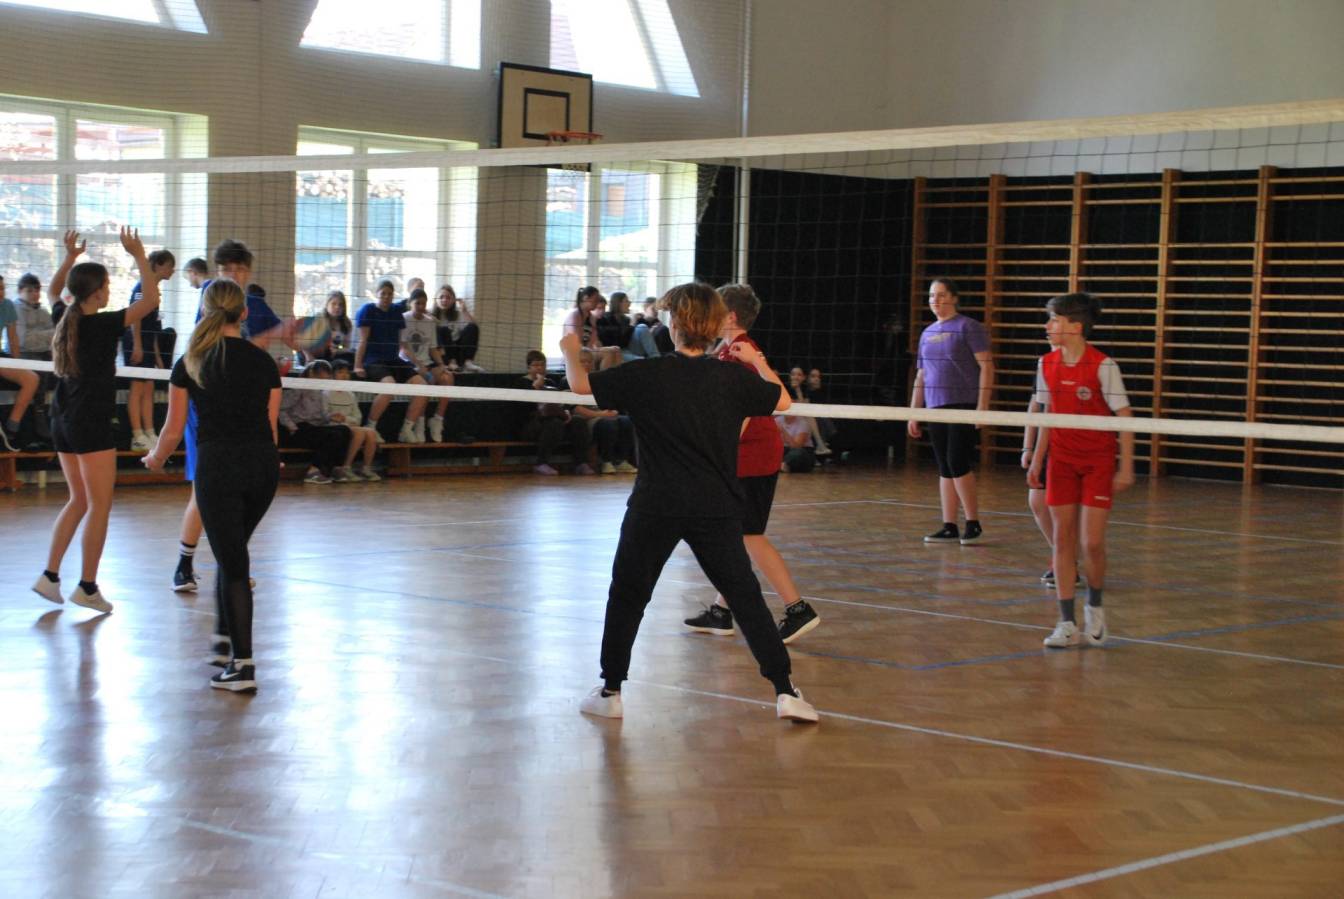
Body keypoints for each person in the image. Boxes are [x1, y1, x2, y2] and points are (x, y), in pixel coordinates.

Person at [563, 282, 817, 723]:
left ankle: (610, 691)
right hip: (715, 507)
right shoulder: (732, 376)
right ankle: (785, 691)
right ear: (713, 325)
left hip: (655, 505)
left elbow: (580, 385)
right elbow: (783, 399)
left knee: (628, 595)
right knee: (746, 598)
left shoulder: (647, 373)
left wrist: (570, 349)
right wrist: (756, 361)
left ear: (674, 325)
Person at [145, 277, 281, 691]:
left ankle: (242, 666)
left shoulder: (191, 361)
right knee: (231, 554)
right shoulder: (264, 362)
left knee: (234, 563)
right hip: (263, 468)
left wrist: (155, 458)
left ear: (205, 311)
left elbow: (172, 431)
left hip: (219, 468)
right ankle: (225, 639)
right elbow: (271, 428)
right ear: (244, 313)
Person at [682, 284, 821, 646]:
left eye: (714, 310)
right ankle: (721, 611)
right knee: (736, 534)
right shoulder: (728, 350)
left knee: (749, 535)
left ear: (729, 316)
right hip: (747, 454)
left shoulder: (742, 352)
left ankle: (797, 608)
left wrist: (718, 448)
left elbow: (745, 410)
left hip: (753, 456)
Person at [31, 228, 160, 613]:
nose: (109, 291)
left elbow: (54, 291)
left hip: (63, 419)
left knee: (79, 500)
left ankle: (50, 576)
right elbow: (150, 300)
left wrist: (70, 258)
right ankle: (87, 586)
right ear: (98, 293)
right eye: (106, 286)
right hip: (90, 423)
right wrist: (139, 255)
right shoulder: (103, 324)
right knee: (99, 505)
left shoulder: (66, 316)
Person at [172, 240, 288, 593]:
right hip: (208, 411)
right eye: (226, 269)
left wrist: (294, 336)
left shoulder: (254, 304)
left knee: (239, 498)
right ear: (217, 272)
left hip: (247, 418)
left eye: (239, 269)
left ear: (248, 272)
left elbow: (287, 341)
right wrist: (268, 339)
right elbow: (225, 352)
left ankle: (232, 568)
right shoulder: (213, 298)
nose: (233, 275)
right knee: (205, 491)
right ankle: (184, 565)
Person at [1027, 292, 1135, 649]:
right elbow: (1047, 415)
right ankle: (1066, 622)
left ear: (1075, 326)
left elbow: (1125, 417)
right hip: (1061, 461)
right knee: (1063, 539)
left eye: (1054, 320)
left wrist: (1126, 467)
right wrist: (1038, 459)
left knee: (1092, 542)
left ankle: (1095, 607)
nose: (1048, 326)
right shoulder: (1046, 363)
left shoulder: (1103, 365)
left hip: (1097, 462)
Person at [907, 278, 993, 545]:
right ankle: (949, 526)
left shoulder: (968, 326)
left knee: (958, 461)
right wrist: (914, 412)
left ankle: (973, 523)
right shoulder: (927, 333)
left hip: (962, 404)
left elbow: (987, 366)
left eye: (942, 295)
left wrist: (982, 406)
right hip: (935, 406)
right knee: (944, 465)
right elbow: (921, 376)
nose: (936, 300)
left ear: (954, 298)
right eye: (932, 295)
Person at [354, 278, 429, 444]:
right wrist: (357, 365)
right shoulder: (368, 310)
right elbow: (363, 340)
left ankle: (406, 429)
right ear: (377, 294)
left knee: (422, 386)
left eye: (390, 294)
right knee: (389, 386)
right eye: (383, 294)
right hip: (373, 360)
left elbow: (403, 344)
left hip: (393, 360)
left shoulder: (395, 312)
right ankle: (371, 428)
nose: (386, 297)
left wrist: (418, 363)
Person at [124, 249, 177, 452]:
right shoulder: (141, 288)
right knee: (137, 388)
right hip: (135, 341)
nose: (172, 270)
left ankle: (150, 432)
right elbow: (135, 318)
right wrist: (137, 345)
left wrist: (158, 358)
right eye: (170, 266)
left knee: (149, 388)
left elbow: (154, 328)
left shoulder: (154, 290)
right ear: (159, 265)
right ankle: (137, 435)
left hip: (146, 343)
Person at [521, 349, 593, 475]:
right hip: (530, 423)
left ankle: (581, 463)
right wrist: (535, 388)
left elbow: (559, 404)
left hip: (554, 418)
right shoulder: (521, 382)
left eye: (542, 365)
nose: (539, 368)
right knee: (555, 424)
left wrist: (566, 412)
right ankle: (541, 463)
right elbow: (522, 408)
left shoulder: (550, 383)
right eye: (536, 365)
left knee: (578, 421)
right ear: (528, 368)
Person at [279, 363, 352, 484]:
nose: (324, 382)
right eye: (321, 378)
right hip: (297, 429)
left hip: (314, 427)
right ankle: (313, 470)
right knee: (332, 435)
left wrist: (331, 417)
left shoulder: (319, 391)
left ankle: (335, 468)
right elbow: (281, 409)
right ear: (312, 373)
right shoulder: (297, 389)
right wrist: (291, 426)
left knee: (345, 430)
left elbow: (319, 416)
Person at [571, 348, 636, 473]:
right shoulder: (570, 380)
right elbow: (575, 409)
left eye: (589, 362)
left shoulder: (597, 380)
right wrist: (601, 414)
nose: (586, 364)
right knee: (608, 424)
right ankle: (606, 461)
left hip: (603, 413)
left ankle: (621, 460)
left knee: (627, 421)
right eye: (583, 362)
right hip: (588, 418)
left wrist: (612, 411)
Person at [402, 287, 454, 442]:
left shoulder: (430, 322)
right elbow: (403, 348)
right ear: (410, 303)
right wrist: (419, 365)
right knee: (425, 383)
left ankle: (437, 420)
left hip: (426, 363)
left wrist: (442, 365)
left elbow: (432, 348)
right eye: (417, 303)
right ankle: (420, 423)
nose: (421, 307)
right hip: (408, 364)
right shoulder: (403, 318)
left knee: (448, 378)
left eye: (424, 304)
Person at [0, 274, 42, 452]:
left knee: (32, 378)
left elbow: (13, 338)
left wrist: (17, 363)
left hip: (1, 358)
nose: (1, 292)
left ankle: (11, 428)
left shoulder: (7, 305)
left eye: (3, 288)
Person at [324, 359, 381, 480]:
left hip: (349, 425)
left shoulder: (350, 394)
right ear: (332, 375)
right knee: (359, 432)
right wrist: (333, 417)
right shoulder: (325, 393)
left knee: (371, 432)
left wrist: (345, 418)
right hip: (332, 427)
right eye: (340, 372)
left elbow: (358, 417)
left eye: (347, 372)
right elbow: (323, 415)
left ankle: (366, 468)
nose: (344, 375)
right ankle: (346, 468)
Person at [562, 286, 620, 369]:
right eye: (595, 300)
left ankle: (616, 376)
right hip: (574, 353)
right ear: (585, 298)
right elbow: (576, 342)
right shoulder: (574, 315)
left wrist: (599, 346)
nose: (597, 303)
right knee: (608, 352)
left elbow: (594, 341)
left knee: (616, 349)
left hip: (587, 350)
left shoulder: (591, 317)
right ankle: (603, 377)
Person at [431, 284, 483, 372]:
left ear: (453, 300)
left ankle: (468, 363)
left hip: (458, 351)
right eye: (441, 297)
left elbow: (473, 329)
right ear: (436, 299)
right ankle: (449, 363)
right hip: (443, 353)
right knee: (443, 330)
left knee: (472, 326)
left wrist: (465, 311)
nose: (444, 300)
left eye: (448, 298)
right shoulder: (429, 314)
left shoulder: (458, 314)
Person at [300, 290, 354, 366]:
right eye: (333, 304)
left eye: (340, 305)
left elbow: (346, 347)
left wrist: (337, 351)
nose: (337, 307)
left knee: (350, 356)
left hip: (331, 354)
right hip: (311, 353)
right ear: (327, 305)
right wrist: (308, 356)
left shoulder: (346, 323)